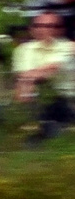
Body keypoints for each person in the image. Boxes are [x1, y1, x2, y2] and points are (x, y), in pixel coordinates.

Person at [13, 12, 75, 143]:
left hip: (69, 98)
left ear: (60, 30)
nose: (44, 29)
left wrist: (31, 77)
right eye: (38, 25)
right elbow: (23, 80)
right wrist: (30, 79)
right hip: (40, 99)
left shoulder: (69, 47)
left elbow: (53, 67)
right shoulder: (24, 49)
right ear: (32, 28)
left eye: (50, 26)